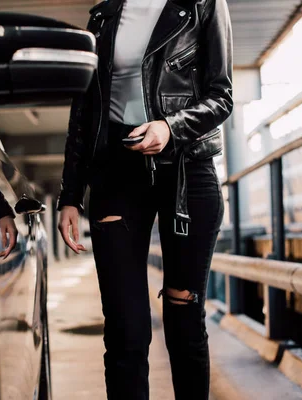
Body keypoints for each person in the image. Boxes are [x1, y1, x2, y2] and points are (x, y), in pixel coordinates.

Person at [57, 0, 233, 398]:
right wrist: (70, 194)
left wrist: (171, 128)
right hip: (116, 173)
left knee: (184, 319)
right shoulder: (103, 18)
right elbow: (83, 110)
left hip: (187, 169)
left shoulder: (201, 5)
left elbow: (221, 96)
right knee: (125, 328)